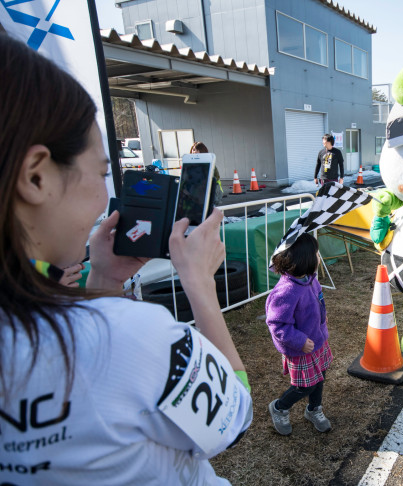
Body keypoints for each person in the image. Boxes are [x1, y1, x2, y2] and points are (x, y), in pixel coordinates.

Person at [0, 34, 252, 484]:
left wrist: (102, 281)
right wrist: (198, 283)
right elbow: (234, 413)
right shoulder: (130, 335)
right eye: (101, 172)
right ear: (36, 177)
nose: (105, 197)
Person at [265, 233, 333, 436]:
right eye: (316, 254)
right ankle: (279, 407)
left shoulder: (311, 280)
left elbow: (319, 302)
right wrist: (300, 341)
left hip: (318, 341)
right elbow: (277, 324)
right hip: (301, 349)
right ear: (305, 260)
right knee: (304, 386)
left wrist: (323, 319)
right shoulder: (285, 292)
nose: (319, 257)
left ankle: (314, 410)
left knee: (320, 376)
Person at [190, 141, 225, 206]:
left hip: (210, 193)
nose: (194, 152)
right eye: (193, 150)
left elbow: (216, 177)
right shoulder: (189, 164)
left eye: (197, 150)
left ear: (202, 151)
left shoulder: (209, 163)